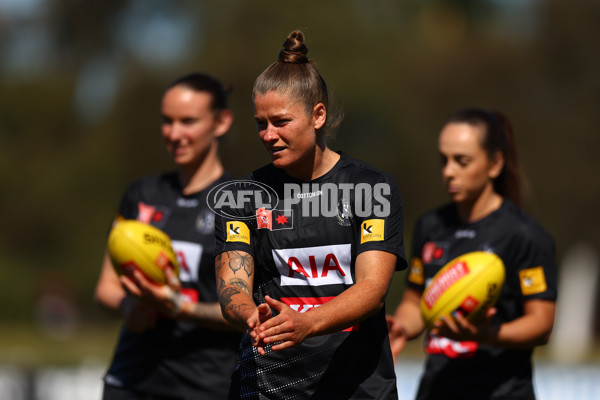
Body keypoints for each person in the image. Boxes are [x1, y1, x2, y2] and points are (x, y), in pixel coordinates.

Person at [213, 30, 408, 399]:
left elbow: (372, 289)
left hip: (357, 389)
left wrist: (307, 323)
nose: (268, 135)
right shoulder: (242, 198)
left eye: (281, 121)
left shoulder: (372, 188)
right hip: (268, 388)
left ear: (318, 115)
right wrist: (250, 315)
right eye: (260, 123)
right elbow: (232, 286)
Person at [387, 108, 557, 400]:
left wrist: (487, 336)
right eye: (444, 160)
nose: (449, 171)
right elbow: (416, 303)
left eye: (462, 161)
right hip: (436, 390)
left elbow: (541, 324)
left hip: (501, 392)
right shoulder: (430, 225)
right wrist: (401, 326)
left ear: (495, 164)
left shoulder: (525, 235)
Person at [94, 73, 241, 400]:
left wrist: (181, 308)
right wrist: (128, 307)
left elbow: (249, 311)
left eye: (188, 121)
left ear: (221, 122)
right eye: (167, 121)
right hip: (129, 381)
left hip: (206, 386)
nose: (174, 134)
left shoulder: (238, 203)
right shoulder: (141, 194)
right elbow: (105, 287)